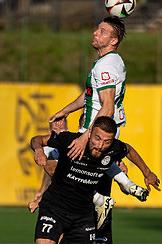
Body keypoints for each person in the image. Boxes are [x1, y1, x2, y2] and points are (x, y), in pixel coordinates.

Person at [48, 16, 144, 244]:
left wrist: (85, 137)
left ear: (113, 40)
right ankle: (113, 189)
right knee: (83, 193)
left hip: (95, 132)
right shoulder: (113, 61)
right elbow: (91, 95)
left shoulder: (105, 66)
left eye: (101, 31)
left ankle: (99, 198)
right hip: (99, 131)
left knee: (55, 165)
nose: (94, 33)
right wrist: (66, 110)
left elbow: (108, 106)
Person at [31, 116, 160, 244]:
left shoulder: (113, 149)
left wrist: (147, 173)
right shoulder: (70, 140)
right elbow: (37, 139)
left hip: (83, 215)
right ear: (90, 131)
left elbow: (129, 150)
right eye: (97, 138)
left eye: (107, 142)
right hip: (55, 208)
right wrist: (38, 150)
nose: (100, 145)